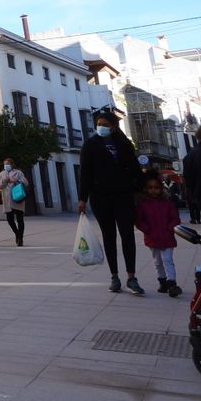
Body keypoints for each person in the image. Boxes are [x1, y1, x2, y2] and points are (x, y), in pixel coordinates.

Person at [79, 109, 145, 294]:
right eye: (99, 124)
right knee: (109, 236)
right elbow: (85, 173)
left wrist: (142, 189)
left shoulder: (124, 144)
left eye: (105, 125)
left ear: (114, 127)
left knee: (127, 235)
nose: (101, 127)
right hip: (101, 197)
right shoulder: (90, 145)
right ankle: (114, 276)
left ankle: (131, 277)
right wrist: (82, 198)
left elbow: (134, 168)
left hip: (123, 195)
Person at [135, 172, 182, 296]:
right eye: (150, 188)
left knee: (167, 260)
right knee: (158, 261)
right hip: (152, 238)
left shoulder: (168, 203)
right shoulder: (142, 204)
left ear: (161, 189)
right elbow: (139, 221)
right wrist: (147, 230)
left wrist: (169, 228)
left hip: (167, 237)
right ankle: (162, 282)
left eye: (156, 188)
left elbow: (175, 218)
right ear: (145, 189)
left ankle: (172, 283)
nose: (153, 190)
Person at [0, 158, 30, 246]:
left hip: (18, 198)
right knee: (10, 219)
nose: (6, 165)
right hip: (7, 199)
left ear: (12, 164)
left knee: (20, 219)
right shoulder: (2, 173)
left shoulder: (18, 172)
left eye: (8, 164)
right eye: (5, 164)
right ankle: (17, 234)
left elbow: (26, 182)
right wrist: (4, 180)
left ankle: (20, 238)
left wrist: (16, 181)